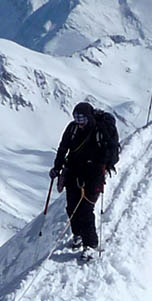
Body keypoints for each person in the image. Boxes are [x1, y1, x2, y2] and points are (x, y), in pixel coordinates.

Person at [50, 101, 117, 257]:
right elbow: (63, 148)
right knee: (71, 207)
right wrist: (57, 167)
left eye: (82, 119)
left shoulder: (100, 131)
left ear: (89, 117)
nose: (79, 123)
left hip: (94, 174)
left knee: (86, 209)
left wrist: (99, 164)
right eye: (76, 119)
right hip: (74, 171)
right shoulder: (72, 129)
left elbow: (110, 153)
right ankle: (77, 235)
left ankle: (90, 244)